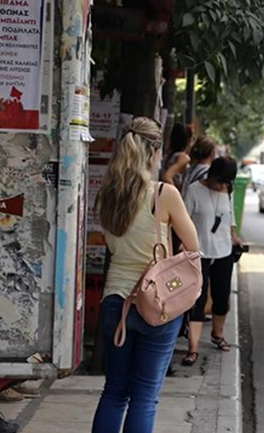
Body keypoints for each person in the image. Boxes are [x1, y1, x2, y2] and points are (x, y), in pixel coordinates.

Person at [91, 117, 200, 433]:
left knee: (114, 393)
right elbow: (193, 247)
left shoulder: (108, 195)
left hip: (115, 302)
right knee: (145, 397)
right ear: (155, 152)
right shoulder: (163, 194)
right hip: (158, 304)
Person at [182, 156, 244, 366]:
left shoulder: (227, 189)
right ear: (211, 176)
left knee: (221, 297)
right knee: (197, 300)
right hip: (198, 253)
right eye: (220, 182)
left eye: (227, 183)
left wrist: (234, 236)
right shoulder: (193, 191)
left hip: (224, 251)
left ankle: (218, 335)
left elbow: (229, 216)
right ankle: (193, 348)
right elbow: (183, 220)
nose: (223, 187)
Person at [160, 123, 193, 188]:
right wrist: (176, 195)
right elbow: (167, 177)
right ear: (189, 140)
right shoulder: (183, 158)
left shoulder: (167, 157)